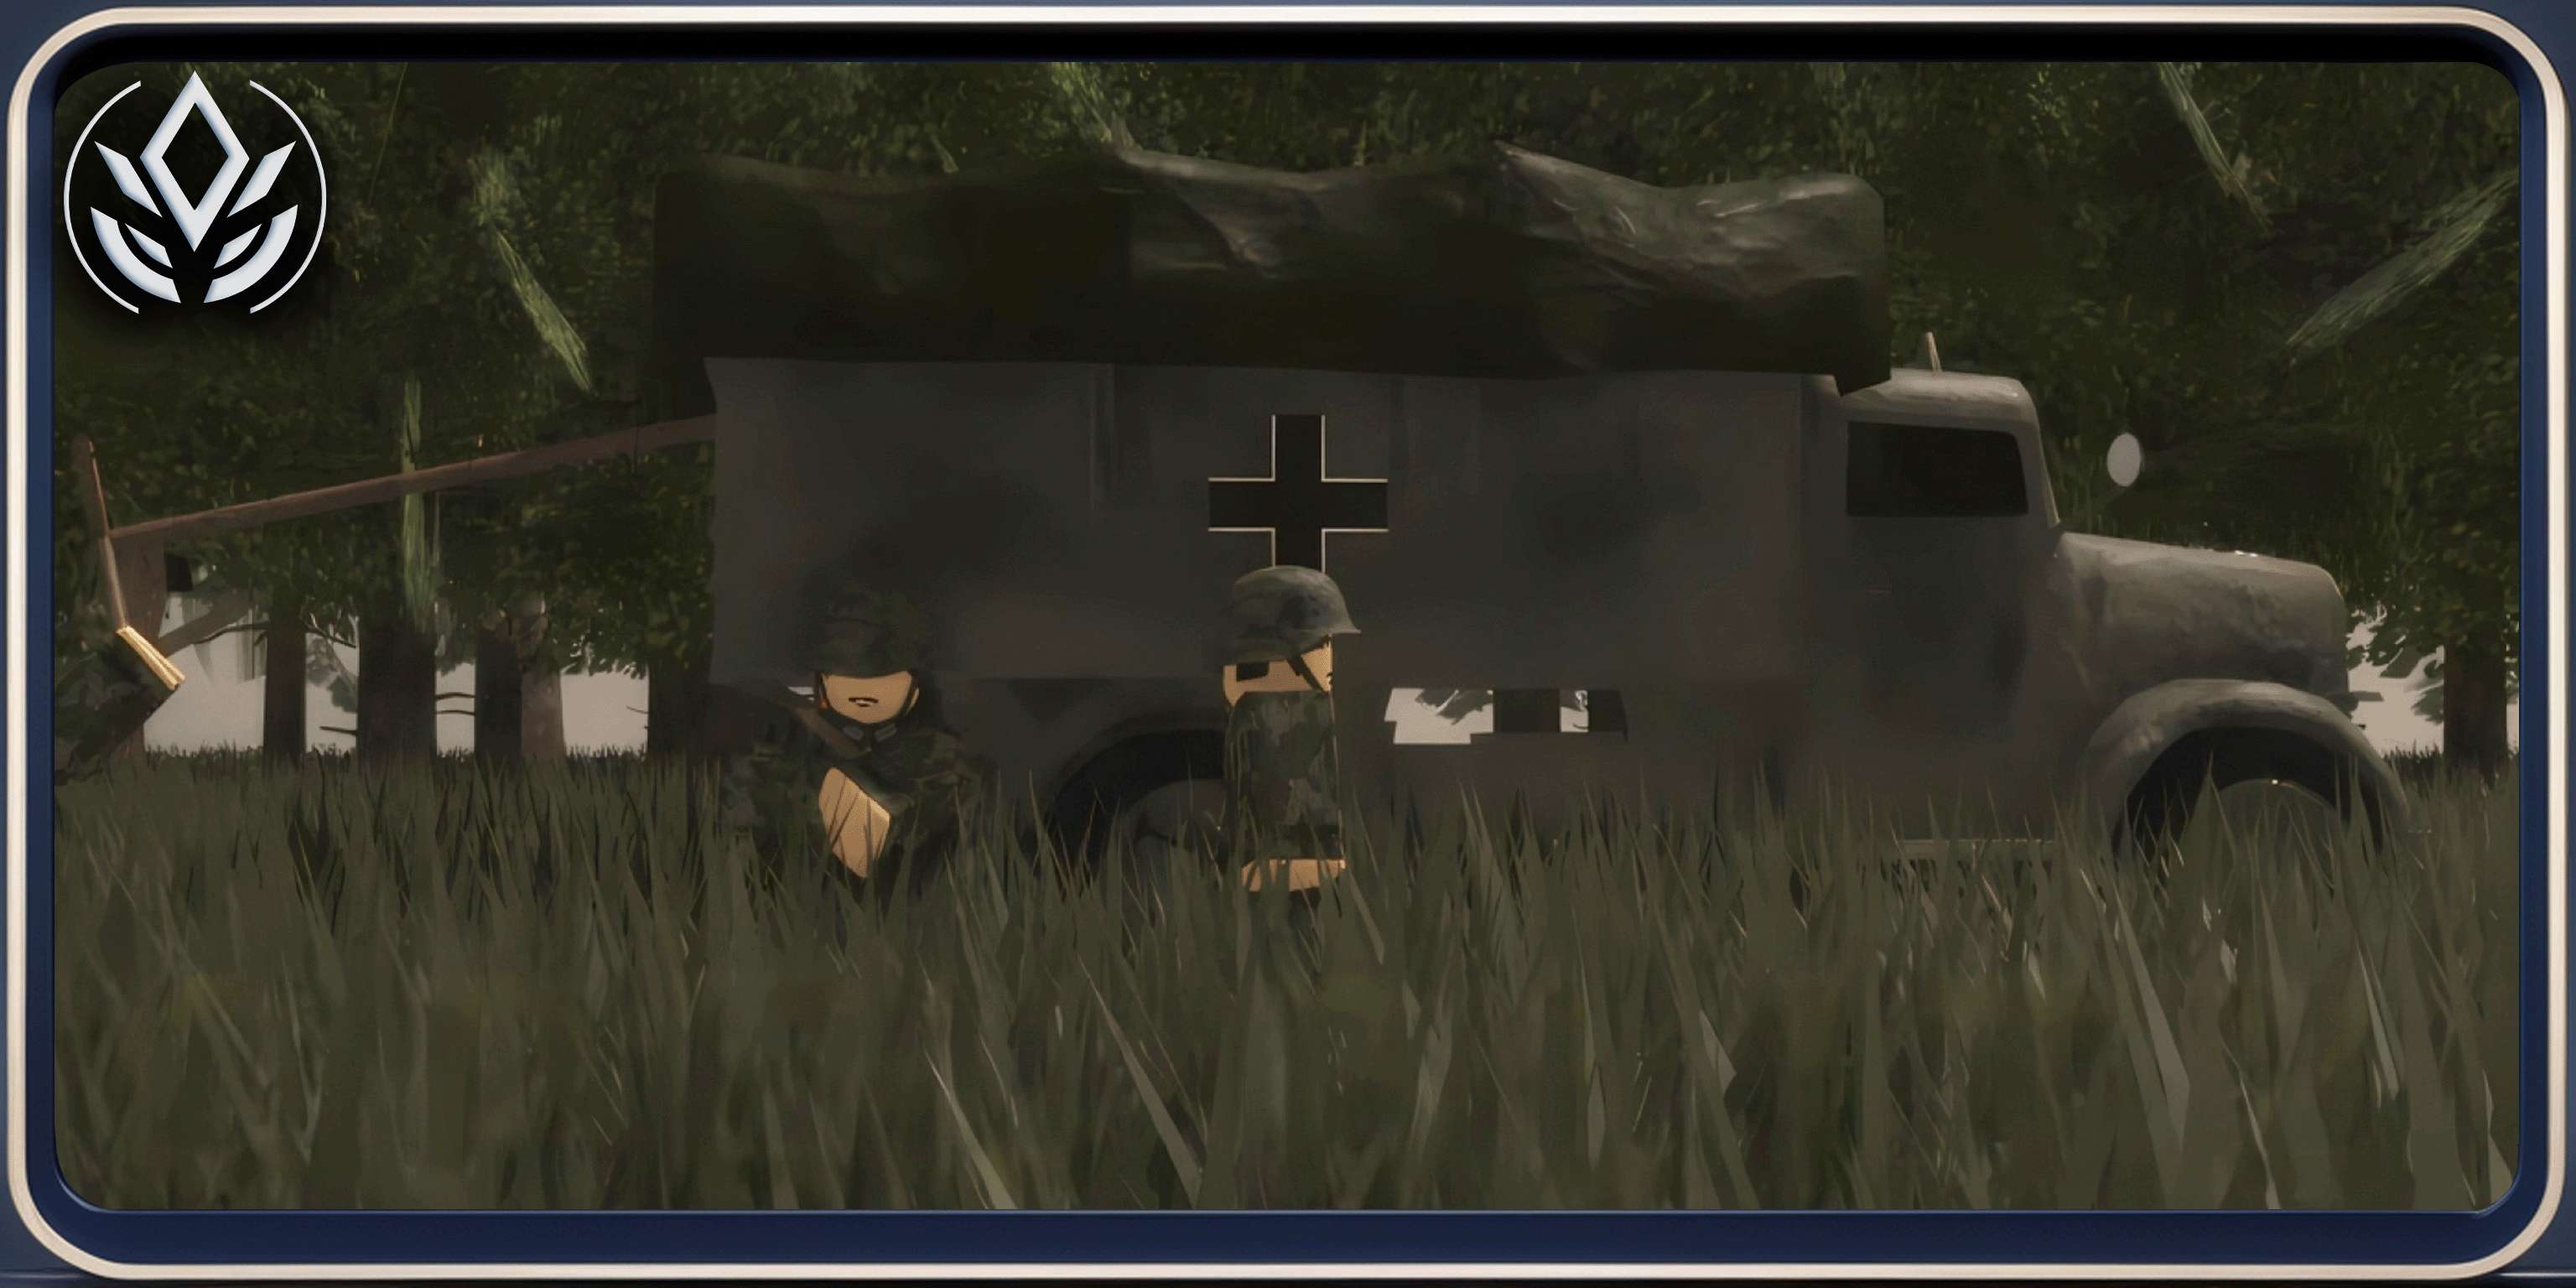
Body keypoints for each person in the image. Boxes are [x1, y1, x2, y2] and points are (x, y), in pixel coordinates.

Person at [718, 579, 993, 897]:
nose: (863, 691)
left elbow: (939, 861)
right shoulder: (772, 765)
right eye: (845, 677)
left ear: (914, 686)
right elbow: (743, 861)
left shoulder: (949, 766)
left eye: (882, 678)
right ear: (821, 682)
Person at [1219, 564, 1359, 893]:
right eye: (1322, 645)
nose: (1330, 656)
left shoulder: (1255, 712)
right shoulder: (1273, 714)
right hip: (1290, 874)